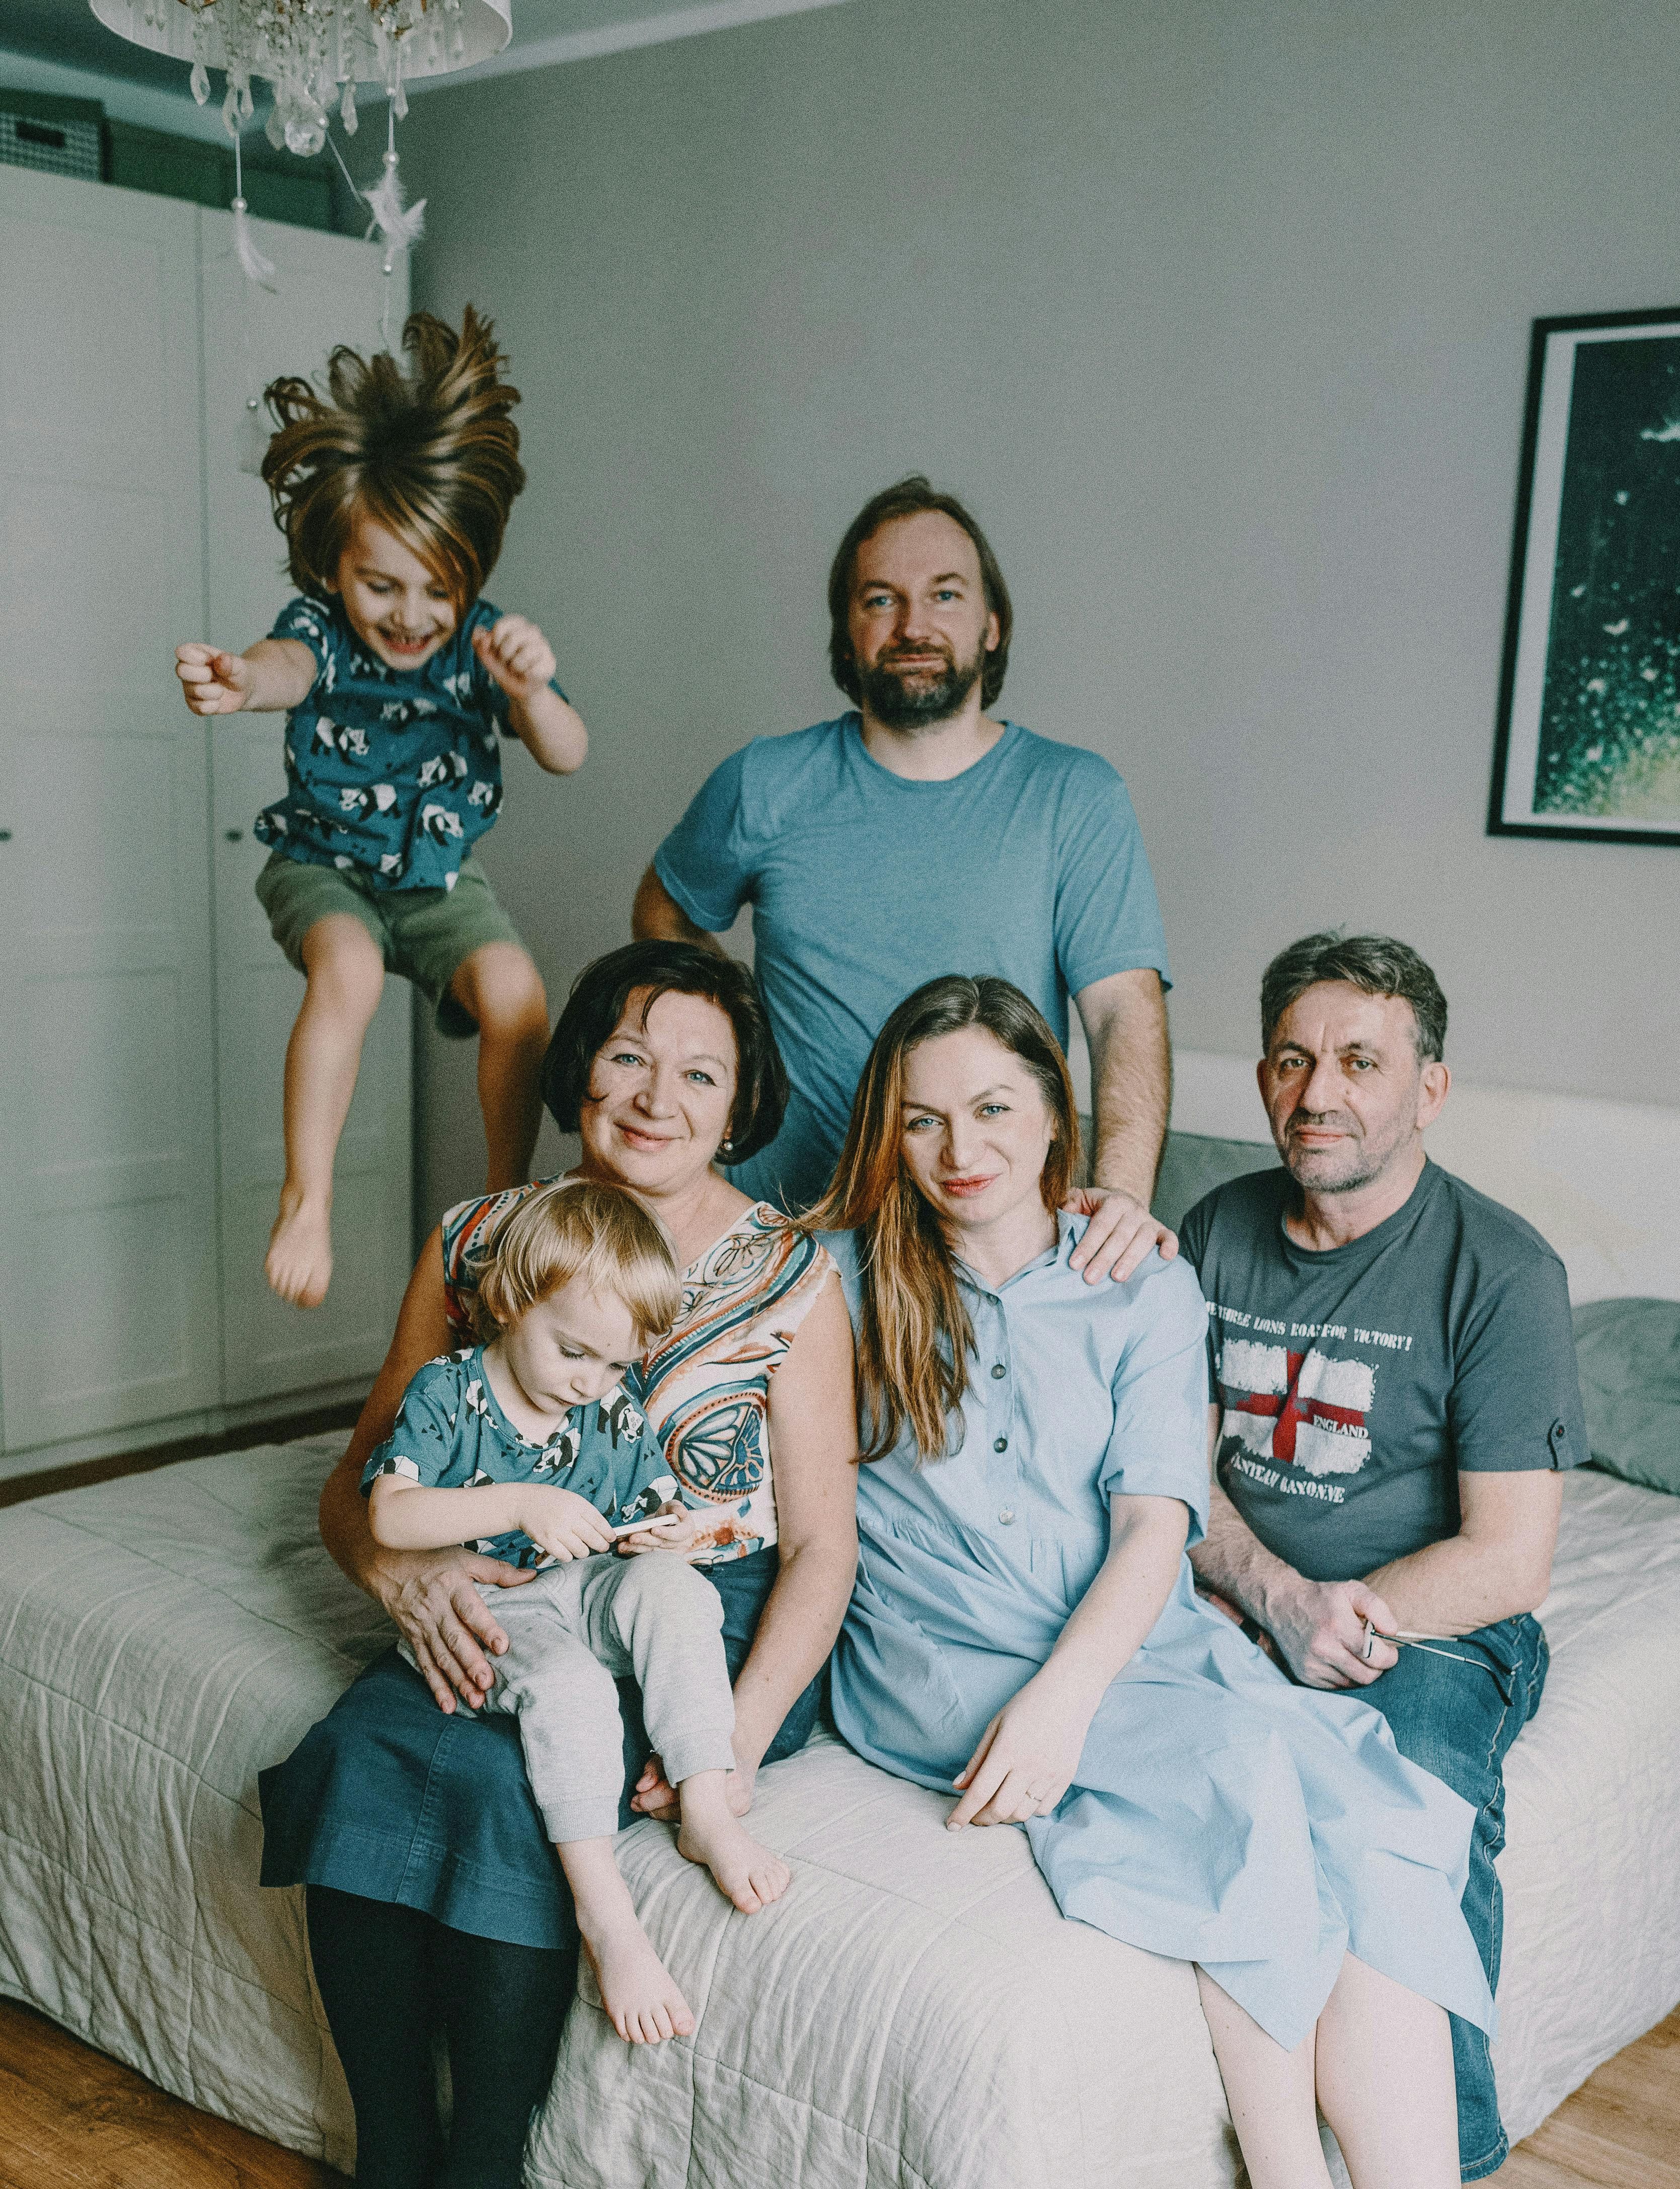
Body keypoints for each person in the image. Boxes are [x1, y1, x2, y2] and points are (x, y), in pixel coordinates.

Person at [808, 972, 1576, 2189]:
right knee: (1254, 1773)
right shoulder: (832, 1283)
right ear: (886, 1137)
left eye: (997, 1109)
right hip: (943, 1662)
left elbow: (1158, 1519)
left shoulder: (1145, 1284)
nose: (960, 1147)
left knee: (1373, 1809)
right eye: (922, 1117)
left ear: (1055, 1120)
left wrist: (1076, 1694)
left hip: (1123, 1635)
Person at [258, 940, 856, 2189]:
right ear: (580, 1063)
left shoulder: (788, 1275)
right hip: (489, 1580)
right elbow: (368, 1473)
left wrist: (726, 1753)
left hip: (675, 1610)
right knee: (369, 1748)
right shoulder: (483, 1237)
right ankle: (394, 2162)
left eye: (699, 1073)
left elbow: (827, 1548)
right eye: (630, 1053)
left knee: (505, 1776)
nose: (657, 1093)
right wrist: (403, 1582)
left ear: (740, 1110)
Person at [1177, 932, 1587, 2184]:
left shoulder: (1502, 1270)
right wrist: (1270, 1595)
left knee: (1400, 1801)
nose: (1321, 1093)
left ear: (1430, 1088)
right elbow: (1174, 1471)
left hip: (1433, 1627)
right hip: (1235, 1595)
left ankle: (1433, 2160)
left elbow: (1507, 1561)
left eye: (1361, 1060)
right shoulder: (1214, 1227)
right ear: (1260, 1078)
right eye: (1295, 1059)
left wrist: (1331, 1621)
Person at [633, 473, 1175, 1281]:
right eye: (881, 600)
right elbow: (662, 912)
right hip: (778, 1243)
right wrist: (736, 1038)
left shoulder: (1074, 795)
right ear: (846, 634)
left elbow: (1121, 1016)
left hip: (983, 1249)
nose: (914, 624)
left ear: (992, 627)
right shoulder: (764, 781)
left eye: (945, 595)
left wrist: (1119, 1198)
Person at [175, 306, 587, 1309]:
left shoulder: (477, 640)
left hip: (441, 876)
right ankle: (307, 1198)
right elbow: (287, 667)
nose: (410, 615)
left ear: (471, 575)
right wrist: (242, 679)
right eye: (380, 584)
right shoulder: (319, 625)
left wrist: (531, 691)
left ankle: (501, 1205)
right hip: (324, 863)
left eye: (436, 589)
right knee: (350, 972)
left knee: (520, 995)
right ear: (333, 569)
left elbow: (568, 755)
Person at [364, 1176, 791, 2050]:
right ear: (515, 1303)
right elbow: (390, 1516)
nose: (591, 1383)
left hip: (577, 1586)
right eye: (573, 1353)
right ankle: (608, 1919)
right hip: (481, 1599)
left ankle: (705, 1803)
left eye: (615, 1364)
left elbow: (649, 1504)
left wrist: (671, 1530)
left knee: (678, 1592)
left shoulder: (606, 1404)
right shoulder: (449, 1393)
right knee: (568, 1691)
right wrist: (519, 1503)